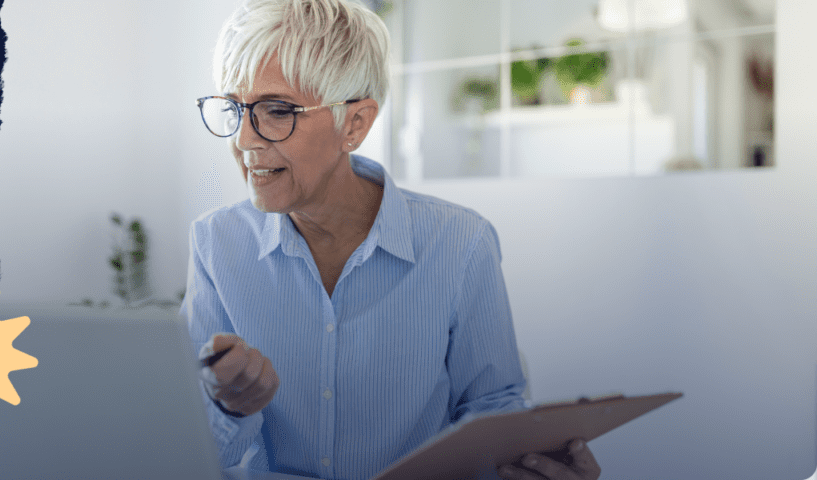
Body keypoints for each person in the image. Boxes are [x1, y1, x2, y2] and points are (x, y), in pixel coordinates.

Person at [180, 1, 602, 479]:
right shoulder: (216, 243)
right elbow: (184, 443)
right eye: (235, 110)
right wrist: (229, 407)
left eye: (276, 111)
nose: (245, 140)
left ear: (355, 124)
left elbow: (492, 410)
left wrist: (532, 463)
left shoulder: (460, 242)